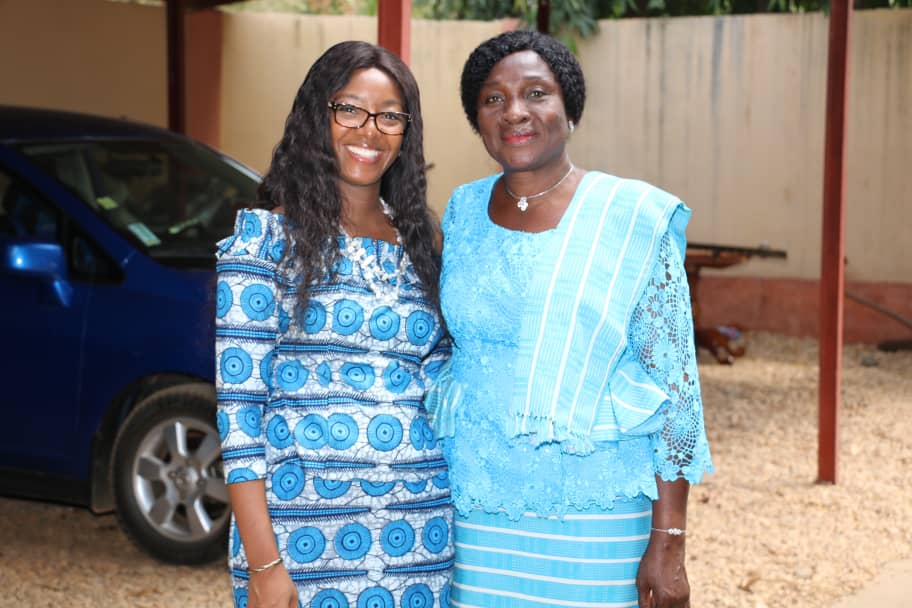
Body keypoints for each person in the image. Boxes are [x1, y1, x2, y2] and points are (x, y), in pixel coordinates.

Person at [427, 30, 713, 608]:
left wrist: (670, 542)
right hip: (475, 505)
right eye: (493, 98)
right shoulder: (461, 211)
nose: (515, 111)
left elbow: (675, 390)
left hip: (596, 508)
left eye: (536, 93)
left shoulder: (630, 217)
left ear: (570, 108)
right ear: (477, 120)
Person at [215, 41, 453, 608]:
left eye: (389, 116)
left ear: (407, 132)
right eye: (349, 109)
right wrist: (264, 564)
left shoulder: (424, 244)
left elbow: (443, 383)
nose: (369, 131)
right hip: (301, 538)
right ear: (316, 115)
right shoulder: (265, 241)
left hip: (420, 534)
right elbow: (238, 414)